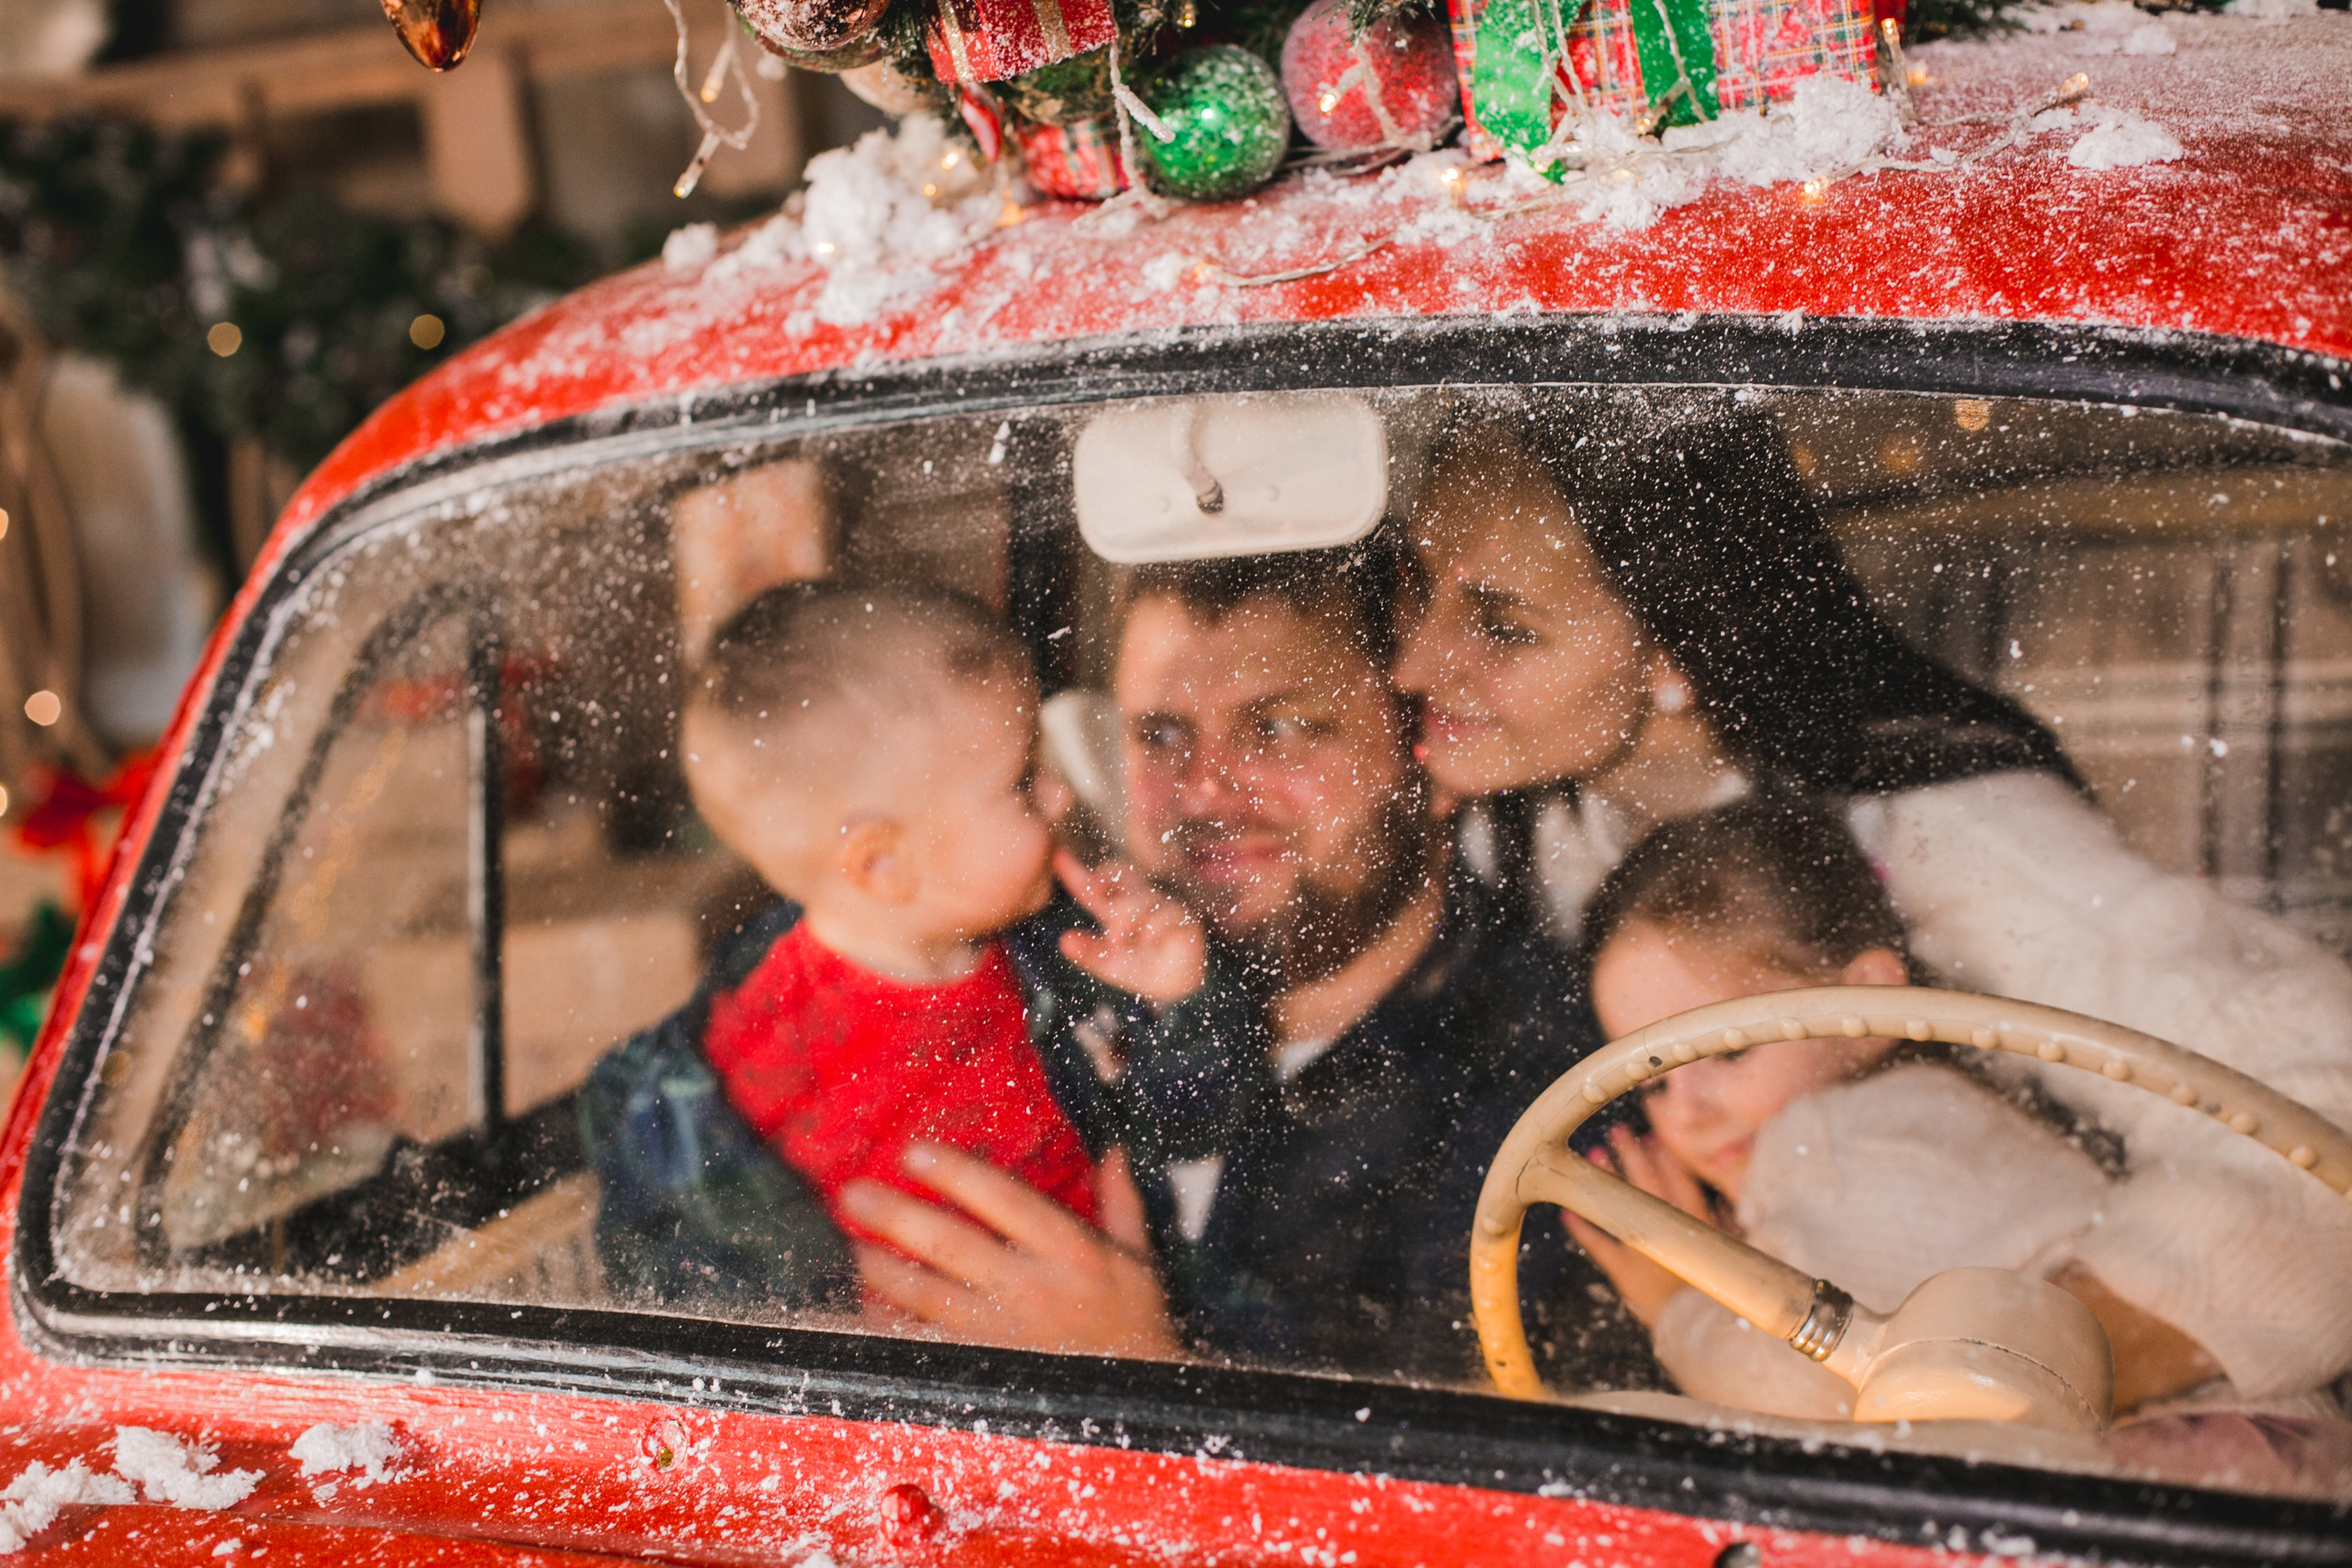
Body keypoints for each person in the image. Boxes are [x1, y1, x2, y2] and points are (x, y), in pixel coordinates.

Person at [1394, 399, 2352, 1423]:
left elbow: (2319, 1105)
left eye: (1501, 625)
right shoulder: (1526, 816)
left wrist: (2010, 1365)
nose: (1409, 665)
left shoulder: (1945, 834)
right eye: (1414, 592)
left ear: (1679, 642)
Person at [783, 549, 1606, 1376]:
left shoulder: (1553, 1094)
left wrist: (1143, 1367)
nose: (1204, 790)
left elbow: (1476, 1487)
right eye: (1162, 735)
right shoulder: (1015, 971)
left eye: (1279, 728)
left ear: (1429, 756)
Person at [1572, 796, 2352, 1497]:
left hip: (2177, 1464)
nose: (1690, 1114)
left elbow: (1819, 1405)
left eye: (1729, 1053)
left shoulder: (1829, 1140)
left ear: (1866, 1008)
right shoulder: (1938, 1113)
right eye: (1654, 1083)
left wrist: (1680, 1306)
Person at [579, 581, 1199, 1355]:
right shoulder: (752, 1064)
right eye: (1019, 781)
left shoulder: (1055, 950)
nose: (1059, 789)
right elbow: (710, 1295)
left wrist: (1179, 1002)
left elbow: (1193, 1120)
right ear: (881, 863)